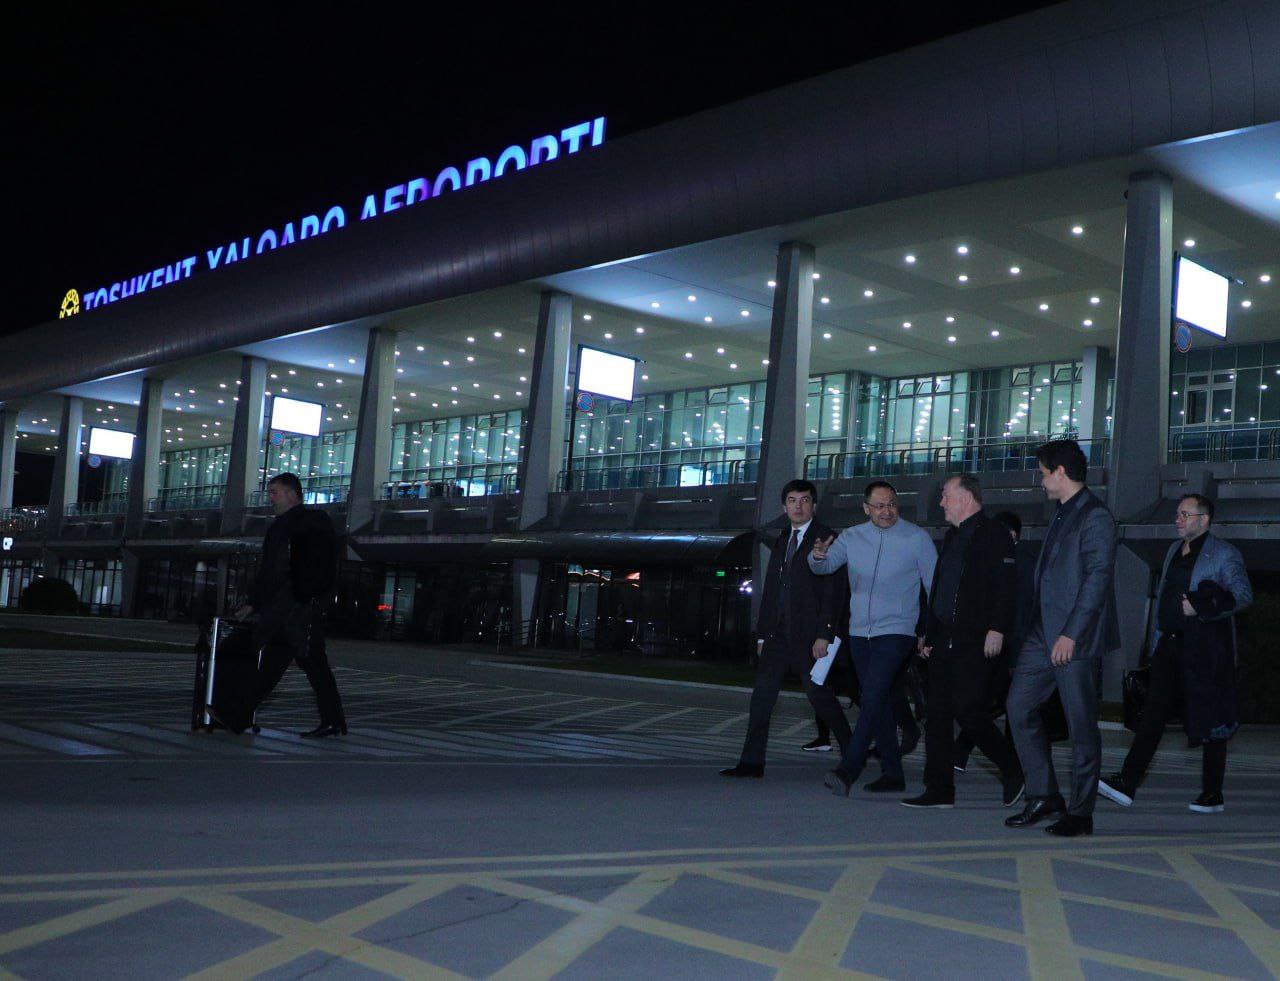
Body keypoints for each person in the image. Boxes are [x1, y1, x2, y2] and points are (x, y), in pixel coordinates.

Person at [1099, 493, 1251, 813]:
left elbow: (1242, 595)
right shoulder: (1172, 550)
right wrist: (1156, 644)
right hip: (1169, 644)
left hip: (1204, 650)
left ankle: (1212, 793)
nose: (1178, 520)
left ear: (1204, 519)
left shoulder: (1224, 553)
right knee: (1153, 713)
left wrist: (1201, 607)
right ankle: (1127, 783)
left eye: (1185, 515)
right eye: (1178, 514)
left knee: (1211, 719)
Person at [1005, 440, 1119, 837]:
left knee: (1081, 726)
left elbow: (1097, 580)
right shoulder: (1061, 512)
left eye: (1042, 473)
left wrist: (1072, 633)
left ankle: (1081, 813)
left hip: (1073, 637)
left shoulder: (1095, 516)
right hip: (1043, 632)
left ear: (1059, 473)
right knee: (1018, 706)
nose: (1040, 481)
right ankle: (1043, 795)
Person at [903, 474, 1024, 809]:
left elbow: (1007, 587)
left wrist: (997, 629)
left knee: (968, 710)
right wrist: (928, 632)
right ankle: (939, 788)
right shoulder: (953, 536)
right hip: (944, 637)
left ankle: (1013, 769)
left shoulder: (994, 534)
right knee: (937, 714)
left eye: (946, 496)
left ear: (966, 498)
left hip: (977, 638)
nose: (941, 502)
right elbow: (941, 589)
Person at [810, 480, 937, 796]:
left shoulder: (917, 538)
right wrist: (817, 556)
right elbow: (824, 566)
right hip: (859, 633)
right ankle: (893, 774)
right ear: (866, 508)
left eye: (891, 504)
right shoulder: (852, 537)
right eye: (879, 506)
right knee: (877, 699)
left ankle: (848, 770)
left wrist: (929, 630)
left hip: (897, 631)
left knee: (872, 697)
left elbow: (935, 588)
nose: (887, 511)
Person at [720, 480, 852, 778]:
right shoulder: (783, 538)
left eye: (804, 500)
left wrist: (824, 634)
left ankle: (851, 752)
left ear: (813, 505)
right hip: (777, 634)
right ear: (784, 506)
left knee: (820, 697)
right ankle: (751, 763)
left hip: (810, 635)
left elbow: (833, 591)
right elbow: (771, 590)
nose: (798, 506)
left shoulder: (827, 538)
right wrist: (762, 635)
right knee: (762, 697)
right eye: (792, 500)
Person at [206, 472, 347, 737]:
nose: (270, 498)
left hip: (293, 610)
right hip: (296, 609)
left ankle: (235, 716)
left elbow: (276, 571)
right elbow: (274, 571)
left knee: (278, 665)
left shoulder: (295, 526)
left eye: (274, 492)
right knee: (308, 665)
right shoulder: (297, 525)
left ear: (291, 495)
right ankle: (332, 720)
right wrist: (255, 602)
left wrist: (257, 603)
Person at [953, 510, 1032, 772]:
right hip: (1004, 646)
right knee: (992, 702)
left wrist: (1016, 652)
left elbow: (1021, 610)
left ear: (1013, 535)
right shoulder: (1008, 559)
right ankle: (1001, 759)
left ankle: (1002, 759)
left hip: (1012, 647)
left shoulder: (1020, 561)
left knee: (995, 702)